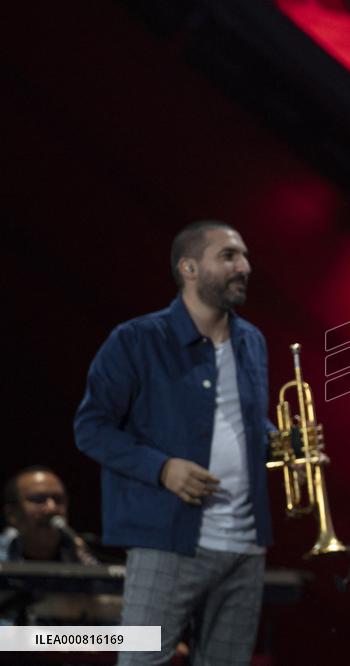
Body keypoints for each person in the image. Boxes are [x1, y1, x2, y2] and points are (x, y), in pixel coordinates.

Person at [74, 220, 272, 665]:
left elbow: (242, 423)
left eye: (243, 256)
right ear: (189, 268)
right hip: (168, 540)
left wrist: (285, 443)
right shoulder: (136, 339)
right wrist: (162, 468)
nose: (244, 266)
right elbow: (92, 428)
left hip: (245, 545)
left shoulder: (252, 341)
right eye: (228, 256)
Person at [1, 466, 95, 564]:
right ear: (12, 514)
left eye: (58, 499)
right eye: (38, 499)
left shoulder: (82, 555)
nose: (51, 508)